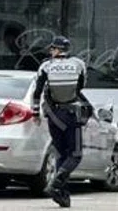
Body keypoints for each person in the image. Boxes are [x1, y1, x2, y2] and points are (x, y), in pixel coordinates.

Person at [32, 36, 92, 208]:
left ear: (56, 50)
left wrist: (36, 113)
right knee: (75, 154)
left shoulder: (46, 66)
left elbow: (37, 93)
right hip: (72, 113)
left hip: (53, 115)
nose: (51, 52)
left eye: (52, 49)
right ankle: (57, 184)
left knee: (61, 153)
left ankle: (61, 193)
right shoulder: (78, 64)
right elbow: (80, 87)